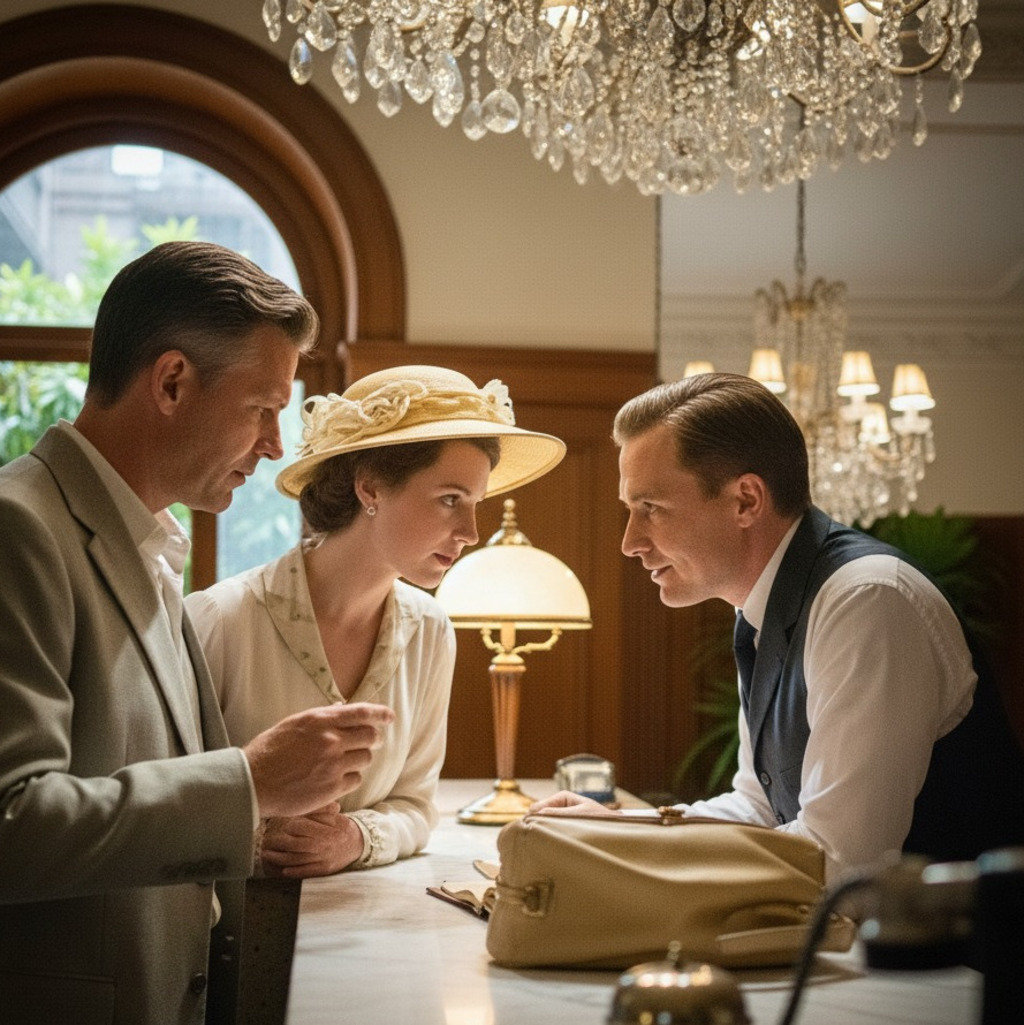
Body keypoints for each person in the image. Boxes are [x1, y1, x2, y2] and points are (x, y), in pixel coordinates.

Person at [0, 241, 395, 1025]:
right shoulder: (20, 526)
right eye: (263, 407)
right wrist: (248, 782)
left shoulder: (147, 539)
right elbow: (12, 824)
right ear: (173, 381)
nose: (278, 445)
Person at [533, 372, 1024, 880]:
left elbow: (840, 857)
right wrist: (614, 829)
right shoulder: (764, 609)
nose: (630, 542)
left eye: (650, 508)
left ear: (746, 500)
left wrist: (634, 852)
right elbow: (758, 811)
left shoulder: (867, 600)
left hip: (955, 955)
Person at [185, 365, 566, 876]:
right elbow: (168, 803)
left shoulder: (431, 629)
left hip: (363, 929)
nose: (471, 531)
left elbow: (416, 806)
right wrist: (262, 834)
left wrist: (354, 838)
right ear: (370, 489)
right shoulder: (219, 619)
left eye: (477, 503)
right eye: (450, 500)